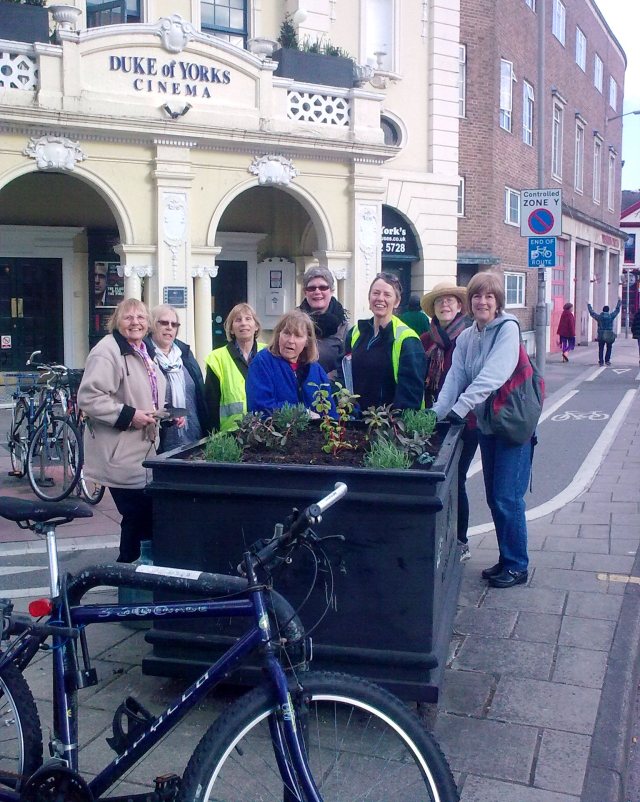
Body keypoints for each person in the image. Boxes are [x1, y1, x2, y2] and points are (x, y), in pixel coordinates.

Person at [432, 271, 531, 589]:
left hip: (514, 425)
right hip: (489, 424)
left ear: (498, 301)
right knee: (494, 496)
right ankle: (506, 558)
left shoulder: (508, 329)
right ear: (469, 302)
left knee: (507, 497)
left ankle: (517, 565)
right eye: (477, 296)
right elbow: (454, 377)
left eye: (489, 296)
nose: (482, 301)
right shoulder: (468, 337)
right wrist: (436, 414)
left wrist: (459, 409)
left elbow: (494, 374)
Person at [77, 298, 166, 563]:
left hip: (141, 450)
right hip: (118, 452)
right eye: (128, 317)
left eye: (140, 317)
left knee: (140, 517)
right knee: (139, 514)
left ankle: (134, 579)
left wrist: (163, 415)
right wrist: (129, 416)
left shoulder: (144, 350)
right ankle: (130, 576)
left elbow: (145, 392)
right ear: (116, 321)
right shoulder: (107, 351)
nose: (135, 322)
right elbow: (90, 398)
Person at [420, 282, 476, 562]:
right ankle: (440, 540)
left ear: (459, 306)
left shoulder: (469, 336)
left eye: (451, 301)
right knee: (438, 481)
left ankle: (461, 540)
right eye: (440, 301)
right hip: (434, 417)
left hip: (465, 419)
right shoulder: (426, 339)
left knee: (458, 479)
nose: (445, 305)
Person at [343, 272, 426, 411]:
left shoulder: (408, 340)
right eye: (376, 293)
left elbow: (411, 395)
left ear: (397, 302)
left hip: (389, 426)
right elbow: (344, 375)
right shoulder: (355, 332)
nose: (380, 298)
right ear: (369, 298)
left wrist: (395, 427)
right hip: (356, 422)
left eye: (387, 295)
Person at [246, 309, 336, 415]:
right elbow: (260, 407)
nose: (291, 340)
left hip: (314, 431)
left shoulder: (315, 369)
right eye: (287, 333)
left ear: (307, 341)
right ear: (279, 335)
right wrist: (301, 413)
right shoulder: (262, 363)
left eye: (298, 336)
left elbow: (330, 411)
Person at [147, 304, 209, 452]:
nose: (169, 328)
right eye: (164, 323)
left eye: (174, 324)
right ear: (152, 325)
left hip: (193, 437)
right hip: (159, 442)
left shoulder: (185, 356)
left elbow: (199, 397)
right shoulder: (146, 357)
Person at [205, 303, 265, 431]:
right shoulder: (217, 358)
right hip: (229, 434)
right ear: (231, 329)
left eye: (248, 319)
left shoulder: (269, 353)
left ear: (256, 326)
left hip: (266, 430)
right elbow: (211, 405)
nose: (243, 323)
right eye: (238, 320)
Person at [299, 266, 349, 377]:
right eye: (312, 288)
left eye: (323, 287)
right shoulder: (293, 322)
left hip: (331, 388)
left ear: (331, 291)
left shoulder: (344, 327)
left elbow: (347, 366)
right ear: (305, 292)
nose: (317, 292)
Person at [587, 299, 621, 366]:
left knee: (601, 348)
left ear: (603, 310)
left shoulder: (599, 317)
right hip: (609, 334)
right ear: (608, 311)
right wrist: (619, 302)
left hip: (601, 335)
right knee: (609, 348)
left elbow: (592, 313)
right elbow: (617, 311)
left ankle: (601, 361)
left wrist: (588, 305)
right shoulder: (611, 316)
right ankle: (607, 360)